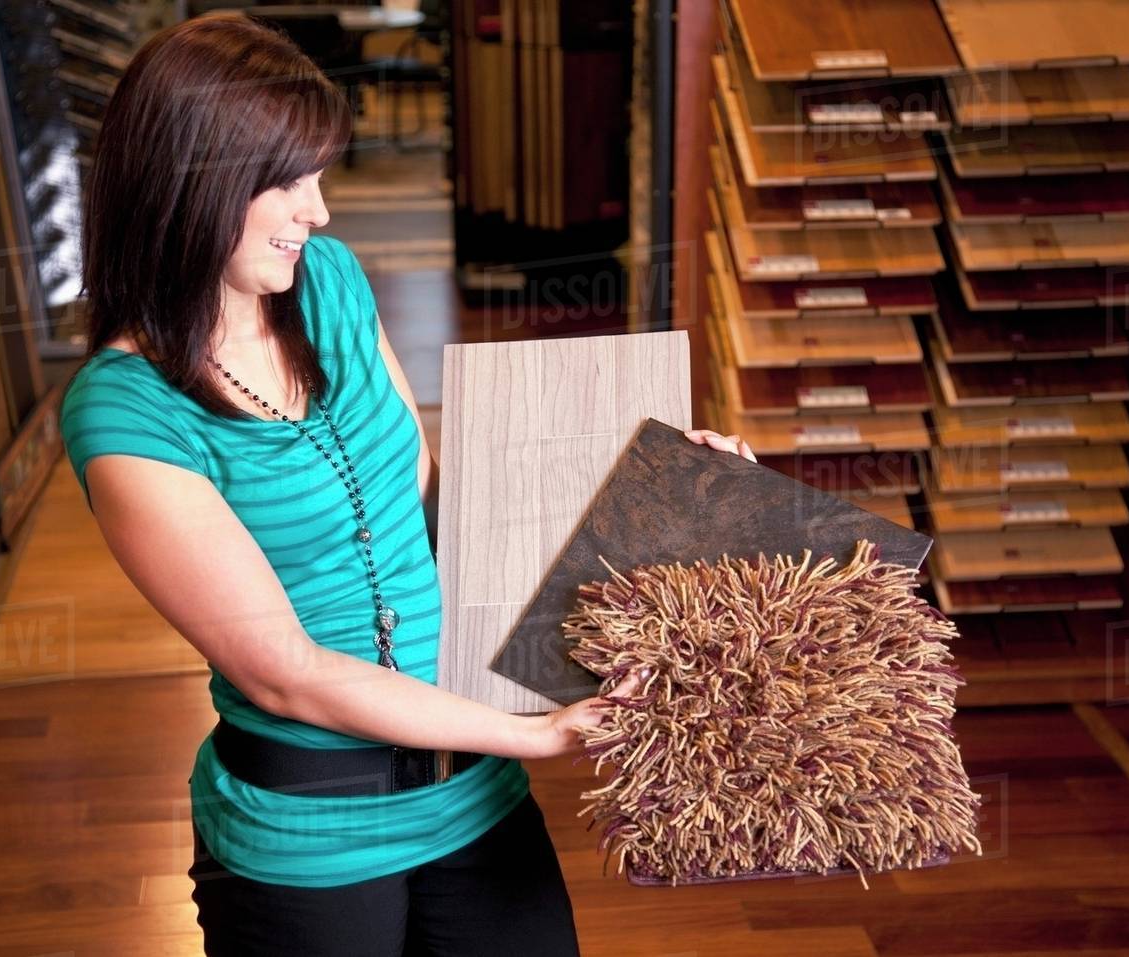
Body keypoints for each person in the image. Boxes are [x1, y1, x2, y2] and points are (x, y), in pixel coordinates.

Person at [59, 13, 756, 956]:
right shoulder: (126, 413)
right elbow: (287, 673)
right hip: (310, 834)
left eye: (320, 176)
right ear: (192, 183)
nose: (320, 211)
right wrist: (539, 735)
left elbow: (430, 502)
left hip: (473, 781)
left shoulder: (331, 282)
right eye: (288, 182)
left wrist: (661, 492)